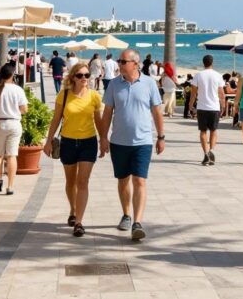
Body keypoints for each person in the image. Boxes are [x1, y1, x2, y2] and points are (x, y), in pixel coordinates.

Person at [98, 48, 164, 241]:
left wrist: (161, 137)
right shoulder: (113, 85)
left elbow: (157, 112)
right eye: (119, 61)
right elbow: (107, 113)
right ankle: (126, 214)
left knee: (139, 180)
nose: (119, 64)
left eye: (123, 61)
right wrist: (103, 137)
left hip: (143, 141)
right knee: (123, 180)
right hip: (119, 142)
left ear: (136, 63)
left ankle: (137, 222)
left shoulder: (149, 84)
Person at [45, 63, 104, 237]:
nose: (84, 79)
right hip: (68, 142)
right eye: (80, 76)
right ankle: (73, 209)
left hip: (88, 142)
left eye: (87, 75)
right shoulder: (63, 96)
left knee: (82, 182)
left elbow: (99, 120)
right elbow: (56, 119)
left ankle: (79, 222)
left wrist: (104, 139)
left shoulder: (94, 96)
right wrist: (48, 141)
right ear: (73, 77)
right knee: (70, 182)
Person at [0, 64, 28, 195]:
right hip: (14, 123)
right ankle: (10, 186)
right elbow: (24, 109)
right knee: (11, 155)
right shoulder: (17, 90)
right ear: (12, 75)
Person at [190, 55, 226, 166]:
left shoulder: (198, 75)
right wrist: (223, 106)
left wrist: (191, 105)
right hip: (214, 107)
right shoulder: (218, 75)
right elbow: (221, 93)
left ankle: (205, 153)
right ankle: (211, 151)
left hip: (202, 107)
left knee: (203, 131)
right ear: (212, 62)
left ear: (203, 63)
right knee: (214, 130)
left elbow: (193, 93)